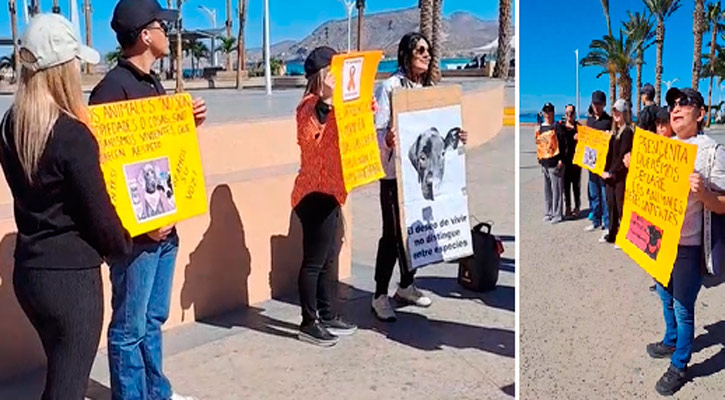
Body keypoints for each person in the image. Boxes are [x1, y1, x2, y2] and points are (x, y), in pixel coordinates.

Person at [0, 14, 131, 400]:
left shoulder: (12, 127)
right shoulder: (72, 135)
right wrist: (124, 247)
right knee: (68, 387)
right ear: (63, 70)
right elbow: (100, 217)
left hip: (30, 274)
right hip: (71, 282)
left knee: (61, 377)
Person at [88, 1, 207, 399]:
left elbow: (157, 151)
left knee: (153, 319)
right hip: (137, 239)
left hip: (166, 228)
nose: (168, 34)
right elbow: (108, 173)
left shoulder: (154, 84)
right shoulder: (110, 92)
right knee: (128, 328)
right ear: (145, 35)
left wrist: (186, 125)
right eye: (162, 26)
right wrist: (144, 225)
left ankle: (157, 392)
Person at [371, 32, 468, 322]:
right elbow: (376, 131)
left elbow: (438, 134)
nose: (426, 55)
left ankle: (405, 285)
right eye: (420, 50)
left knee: (417, 231)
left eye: (428, 50)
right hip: (393, 177)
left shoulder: (429, 90)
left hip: (417, 182)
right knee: (392, 235)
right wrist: (387, 139)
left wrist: (458, 136)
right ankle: (378, 295)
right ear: (406, 54)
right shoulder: (390, 87)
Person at [647, 87, 725, 396]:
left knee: (682, 306)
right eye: (673, 103)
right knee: (664, 295)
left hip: (689, 246)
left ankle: (680, 364)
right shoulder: (664, 147)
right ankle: (671, 340)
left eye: (685, 103)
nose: (676, 107)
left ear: (701, 113)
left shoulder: (711, 151)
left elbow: (722, 202)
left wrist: (703, 192)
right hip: (659, 241)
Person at [291, 46, 358, 346]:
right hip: (313, 194)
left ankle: (328, 313)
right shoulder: (309, 105)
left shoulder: (333, 105)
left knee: (330, 258)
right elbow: (310, 141)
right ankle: (308, 321)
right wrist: (327, 100)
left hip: (331, 191)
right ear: (321, 76)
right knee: (314, 261)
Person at [600, 99, 633, 247]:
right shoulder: (613, 132)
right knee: (611, 204)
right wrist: (603, 169)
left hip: (620, 175)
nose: (616, 114)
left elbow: (623, 155)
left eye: (619, 111)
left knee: (621, 206)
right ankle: (612, 233)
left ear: (625, 113)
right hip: (609, 175)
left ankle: (624, 235)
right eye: (614, 111)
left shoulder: (627, 132)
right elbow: (608, 154)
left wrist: (612, 172)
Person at [585, 90, 612, 236]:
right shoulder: (590, 120)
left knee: (604, 194)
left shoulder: (608, 121)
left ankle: (607, 224)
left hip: (603, 165)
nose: (597, 106)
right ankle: (596, 220)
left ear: (604, 104)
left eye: (599, 104)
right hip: (591, 163)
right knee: (593, 193)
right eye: (595, 103)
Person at [536, 103, 567, 224]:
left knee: (557, 190)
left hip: (556, 163)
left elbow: (564, 145)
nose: (547, 114)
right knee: (547, 190)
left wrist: (562, 160)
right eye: (545, 112)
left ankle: (557, 214)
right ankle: (548, 212)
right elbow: (539, 144)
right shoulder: (541, 128)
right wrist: (539, 157)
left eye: (549, 112)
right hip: (545, 163)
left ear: (553, 113)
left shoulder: (557, 127)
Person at [561, 104, 581, 218]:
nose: (569, 115)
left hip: (576, 162)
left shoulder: (579, 128)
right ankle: (567, 207)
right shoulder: (561, 127)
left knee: (576, 186)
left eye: (571, 113)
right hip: (565, 161)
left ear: (574, 114)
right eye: (567, 113)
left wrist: (581, 137)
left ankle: (577, 207)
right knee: (566, 186)